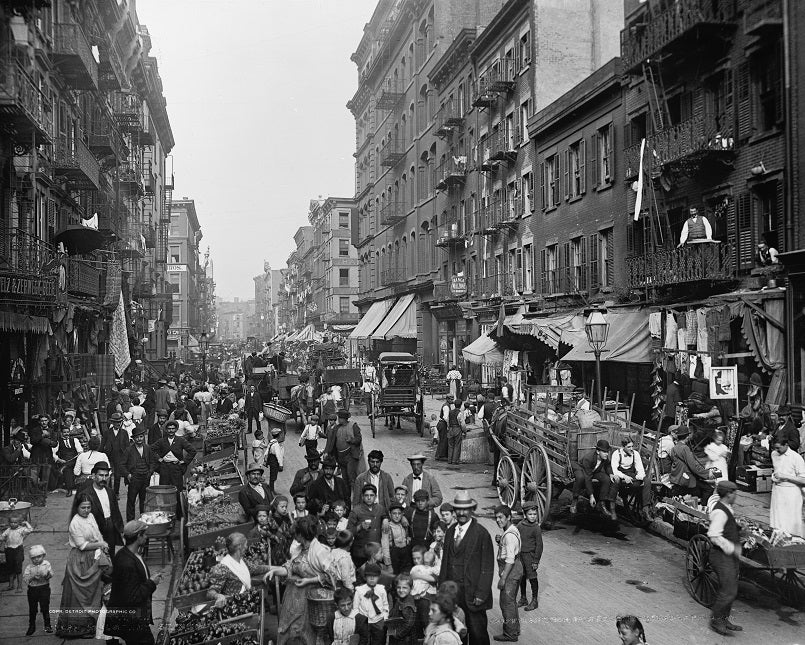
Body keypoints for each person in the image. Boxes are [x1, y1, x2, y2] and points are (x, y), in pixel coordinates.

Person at [438, 491, 494, 645]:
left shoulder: (481, 534)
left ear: (472, 510)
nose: (461, 513)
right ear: (454, 511)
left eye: (465, 509)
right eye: (458, 509)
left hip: (473, 593)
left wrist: (481, 594)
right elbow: (445, 563)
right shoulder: (450, 531)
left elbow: (487, 567)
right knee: (456, 632)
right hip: (453, 593)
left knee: (477, 633)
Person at [267, 516, 333, 645]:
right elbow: (290, 567)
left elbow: (332, 577)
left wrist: (309, 581)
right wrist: (275, 571)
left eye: (295, 534)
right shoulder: (298, 549)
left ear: (301, 535)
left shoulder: (320, 551)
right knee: (290, 628)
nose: (294, 537)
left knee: (307, 631)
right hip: (293, 596)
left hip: (312, 599)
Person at [55, 492, 112, 638]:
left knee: (93, 591)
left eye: (88, 507)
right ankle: (78, 628)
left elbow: (97, 533)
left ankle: (92, 625)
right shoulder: (75, 523)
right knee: (80, 594)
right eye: (83, 508)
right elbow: (81, 545)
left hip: (93, 557)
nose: (86, 510)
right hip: (80, 560)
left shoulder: (91, 516)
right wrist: (100, 544)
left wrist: (102, 545)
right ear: (77, 507)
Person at [105, 520, 165, 645]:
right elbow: (133, 596)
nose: (147, 537)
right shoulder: (126, 563)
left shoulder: (129, 554)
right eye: (145, 534)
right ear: (138, 536)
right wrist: (152, 582)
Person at [706, 481, 743, 636]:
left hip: (728, 556)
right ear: (729, 494)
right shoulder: (720, 512)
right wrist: (732, 547)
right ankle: (716, 620)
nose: (736, 496)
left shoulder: (727, 508)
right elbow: (714, 535)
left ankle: (724, 619)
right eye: (735, 493)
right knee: (728, 590)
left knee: (731, 588)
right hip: (721, 555)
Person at [207, 532, 271, 607]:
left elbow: (256, 568)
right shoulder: (222, 568)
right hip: (235, 607)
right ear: (240, 547)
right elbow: (210, 592)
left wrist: (276, 568)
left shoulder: (242, 561)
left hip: (247, 602)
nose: (247, 547)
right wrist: (218, 596)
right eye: (246, 545)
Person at [493, 505, 522, 642]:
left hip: (510, 571)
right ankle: (514, 629)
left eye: (501, 517)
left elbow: (510, 559)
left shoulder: (509, 536)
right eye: (496, 518)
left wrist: (503, 579)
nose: (498, 520)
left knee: (506, 603)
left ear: (509, 517)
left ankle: (510, 634)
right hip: (515, 569)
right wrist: (501, 541)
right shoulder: (511, 530)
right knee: (511, 602)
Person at [570, 439, 618, 519]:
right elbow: (588, 478)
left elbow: (608, 466)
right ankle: (574, 501)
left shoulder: (604, 458)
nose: (607, 454)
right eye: (604, 452)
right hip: (582, 469)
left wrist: (611, 474)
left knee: (606, 479)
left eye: (607, 452)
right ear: (598, 452)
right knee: (580, 478)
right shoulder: (588, 458)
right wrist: (591, 496)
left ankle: (601, 503)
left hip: (594, 471)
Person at [669, 425, 717, 501]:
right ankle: (703, 508)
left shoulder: (674, 448)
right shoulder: (684, 448)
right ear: (687, 436)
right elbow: (694, 467)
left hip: (676, 477)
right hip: (684, 479)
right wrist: (711, 474)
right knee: (708, 489)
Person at [121, 426, 157, 522]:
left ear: (143, 437)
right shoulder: (129, 450)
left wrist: (150, 471)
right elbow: (122, 465)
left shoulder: (148, 448)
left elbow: (153, 462)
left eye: (141, 437)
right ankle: (130, 522)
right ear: (133, 439)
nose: (139, 439)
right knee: (131, 500)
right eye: (137, 437)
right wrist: (128, 474)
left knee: (144, 500)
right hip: (134, 478)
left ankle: (143, 520)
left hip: (146, 478)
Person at [770, 438, 805, 536]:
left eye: (779, 448)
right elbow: (777, 469)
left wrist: (786, 476)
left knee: (790, 523)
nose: (777, 450)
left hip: (791, 492)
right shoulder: (774, 454)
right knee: (777, 520)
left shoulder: (796, 457)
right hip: (777, 491)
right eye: (775, 448)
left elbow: (803, 480)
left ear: (786, 445)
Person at [611, 437, 652, 519]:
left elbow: (640, 468)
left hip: (631, 474)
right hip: (620, 474)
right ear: (623, 447)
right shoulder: (616, 454)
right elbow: (615, 470)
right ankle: (612, 509)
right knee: (616, 482)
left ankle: (645, 509)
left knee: (647, 481)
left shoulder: (635, 454)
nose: (631, 449)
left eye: (632, 446)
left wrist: (639, 476)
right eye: (629, 447)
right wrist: (624, 476)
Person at [348, 483, 386, 568]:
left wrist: (385, 519)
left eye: (371, 495)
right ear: (362, 496)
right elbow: (348, 532)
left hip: (376, 552)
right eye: (366, 495)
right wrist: (360, 527)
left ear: (375, 496)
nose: (369, 498)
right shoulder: (356, 511)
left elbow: (384, 515)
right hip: (361, 552)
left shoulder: (380, 508)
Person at [152, 419, 196, 489]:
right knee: (164, 489)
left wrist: (184, 461)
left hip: (176, 468)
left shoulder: (181, 440)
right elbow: (151, 450)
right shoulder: (162, 441)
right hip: (164, 468)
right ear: (166, 430)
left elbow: (192, 451)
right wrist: (158, 458)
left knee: (177, 489)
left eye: (173, 429)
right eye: (169, 429)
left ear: (176, 430)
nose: (171, 431)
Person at [325, 409, 363, 489]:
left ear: (345, 418)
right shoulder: (336, 428)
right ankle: (347, 498)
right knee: (345, 479)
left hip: (350, 456)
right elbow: (332, 442)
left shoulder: (353, 426)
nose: (338, 420)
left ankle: (355, 496)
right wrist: (329, 453)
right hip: (340, 457)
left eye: (340, 418)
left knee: (351, 477)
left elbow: (359, 439)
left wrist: (352, 440)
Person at [516, 501, 542, 611]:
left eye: (534, 514)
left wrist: (536, 561)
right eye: (530, 514)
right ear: (525, 515)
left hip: (530, 557)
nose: (533, 516)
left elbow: (540, 546)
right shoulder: (520, 525)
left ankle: (534, 600)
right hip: (521, 556)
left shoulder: (536, 528)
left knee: (532, 578)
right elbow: (515, 537)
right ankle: (523, 598)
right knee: (522, 577)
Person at [355, 561, 389, 645]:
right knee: (364, 641)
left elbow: (385, 604)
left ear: (379, 577)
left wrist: (384, 617)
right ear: (365, 577)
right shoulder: (359, 591)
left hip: (378, 620)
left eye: (375, 576)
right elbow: (355, 608)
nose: (372, 578)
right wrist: (359, 620)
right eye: (369, 576)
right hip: (364, 621)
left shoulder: (381, 590)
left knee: (378, 641)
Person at [23, 544, 52, 635]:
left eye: (39, 557)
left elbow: (51, 574)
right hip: (33, 589)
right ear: (31, 559)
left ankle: (47, 624)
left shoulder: (46, 564)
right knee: (33, 608)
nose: (36, 559)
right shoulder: (29, 567)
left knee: (45, 607)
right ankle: (32, 625)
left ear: (43, 555)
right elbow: (25, 578)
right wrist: (32, 577)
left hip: (44, 588)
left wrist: (47, 574)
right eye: (33, 558)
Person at [101, 412, 131, 499]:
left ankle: (116, 493)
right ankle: (108, 492)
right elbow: (102, 445)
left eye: (119, 422)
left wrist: (128, 457)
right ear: (112, 423)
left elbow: (127, 446)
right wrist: (99, 455)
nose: (118, 424)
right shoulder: (107, 433)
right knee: (108, 475)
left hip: (119, 457)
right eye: (116, 422)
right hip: (109, 456)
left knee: (117, 475)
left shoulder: (124, 433)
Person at [1, 514, 33, 591]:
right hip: (9, 550)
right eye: (11, 522)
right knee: (10, 569)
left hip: (18, 550)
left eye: (15, 522)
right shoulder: (8, 530)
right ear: (9, 523)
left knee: (18, 569)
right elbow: (2, 537)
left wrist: (26, 523)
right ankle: (11, 585)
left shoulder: (21, 530)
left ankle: (19, 586)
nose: (13, 524)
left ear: (19, 523)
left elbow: (30, 530)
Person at [388, 573, 418, 645]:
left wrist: (397, 634)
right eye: (399, 587)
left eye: (405, 588)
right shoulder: (400, 599)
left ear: (411, 588)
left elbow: (408, 624)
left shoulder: (408, 604)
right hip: (397, 635)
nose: (401, 590)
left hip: (404, 640)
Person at [382, 502, 411, 574]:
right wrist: (388, 565)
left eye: (399, 513)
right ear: (390, 514)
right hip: (394, 558)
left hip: (405, 557)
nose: (397, 516)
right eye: (394, 513)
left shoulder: (404, 523)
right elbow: (385, 546)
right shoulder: (387, 526)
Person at [54, 427, 83, 497]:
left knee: (68, 466)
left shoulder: (74, 440)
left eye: (67, 432)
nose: (66, 434)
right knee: (67, 470)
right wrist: (59, 460)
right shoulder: (58, 442)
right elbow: (53, 453)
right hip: (64, 461)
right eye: (64, 432)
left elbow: (80, 451)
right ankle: (69, 489)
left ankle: (64, 467)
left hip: (75, 460)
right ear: (61, 433)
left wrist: (78, 458)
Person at [265, 427, 285, 494]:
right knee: (273, 475)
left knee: (272, 474)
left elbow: (266, 451)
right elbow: (278, 455)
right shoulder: (276, 444)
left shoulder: (271, 442)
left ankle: (271, 488)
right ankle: (272, 490)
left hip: (271, 459)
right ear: (278, 435)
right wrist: (281, 465)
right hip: (274, 460)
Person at [447, 399, 467, 465]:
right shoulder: (460, 413)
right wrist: (464, 431)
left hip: (450, 429)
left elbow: (447, 421)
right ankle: (454, 461)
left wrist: (449, 428)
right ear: (461, 405)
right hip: (457, 429)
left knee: (450, 445)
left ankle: (449, 460)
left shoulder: (450, 412)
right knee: (457, 445)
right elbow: (462, 424)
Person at [435, 396, 453, 462]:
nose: (452, 400)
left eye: (452, 399)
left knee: (442, 440)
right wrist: (448, 425)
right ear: (447, 399)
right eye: (451, 399)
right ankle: (441, 456)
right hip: (443, 424)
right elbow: (445, 417)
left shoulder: (447, 405)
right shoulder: (446, 407)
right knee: (443, 440)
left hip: (442, 424)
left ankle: (438, 455)